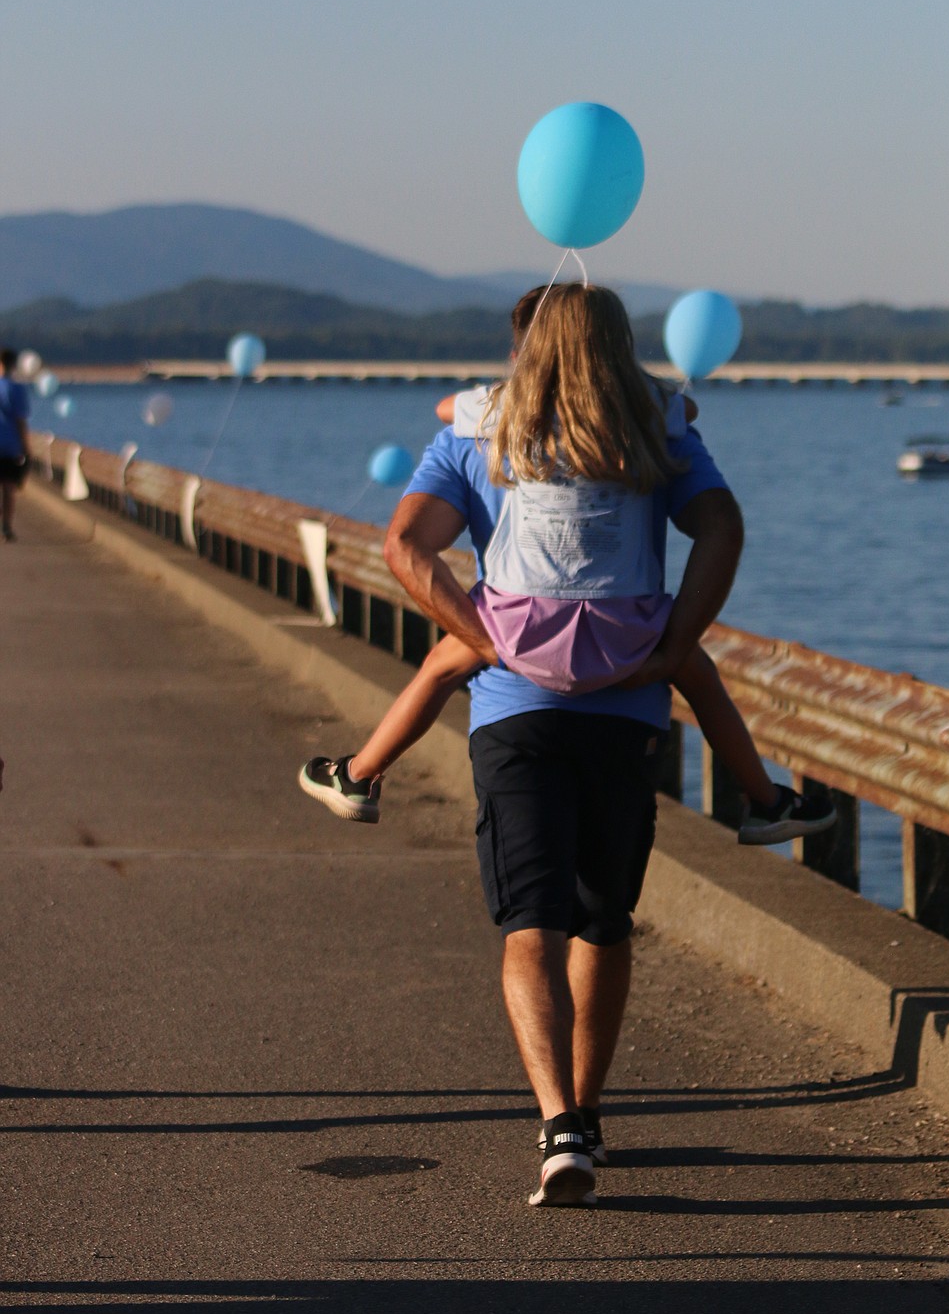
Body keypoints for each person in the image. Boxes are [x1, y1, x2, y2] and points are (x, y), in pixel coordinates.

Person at [305, 284, 833, 1208]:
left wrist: (480, 634)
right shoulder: (654, 429)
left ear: (520, 347)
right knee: (602, 915)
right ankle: (585, 1112)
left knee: (528, 922)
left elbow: (402, 546)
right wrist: (676, 642)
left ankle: (558, 1124)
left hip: (514, 705)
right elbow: (723, 525)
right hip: (625, 706)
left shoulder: (475, 432)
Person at [300, 290, 833, 853]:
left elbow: (440, 420)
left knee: (441, 663)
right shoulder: (646, 418)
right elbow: (694, 429)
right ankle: (764, 801)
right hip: (628, 641)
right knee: (696, 672)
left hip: (518, 637)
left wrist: (502, 394)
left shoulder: (500, 415)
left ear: (527, 349)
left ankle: (361, 774)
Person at [0, 349, 31, 544]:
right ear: (13, 365)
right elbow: (21, 420)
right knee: (9, 487)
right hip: (11, 445)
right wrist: (26, 446)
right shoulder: (17, 389)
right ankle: (6, 528)